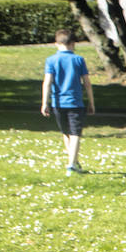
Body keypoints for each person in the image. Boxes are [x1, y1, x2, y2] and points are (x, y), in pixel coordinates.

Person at [41, 29, 95, 175]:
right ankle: (71, 164)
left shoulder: (51, 60)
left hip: (58, 103)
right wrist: (91, 102)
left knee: (66, 132)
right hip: (75, 103)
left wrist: (45, 103)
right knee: (76, 133)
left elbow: (47, 82)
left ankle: (73, 161)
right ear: (73, 44)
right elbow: (87, 83)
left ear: (56, 43)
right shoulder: (78, 60)